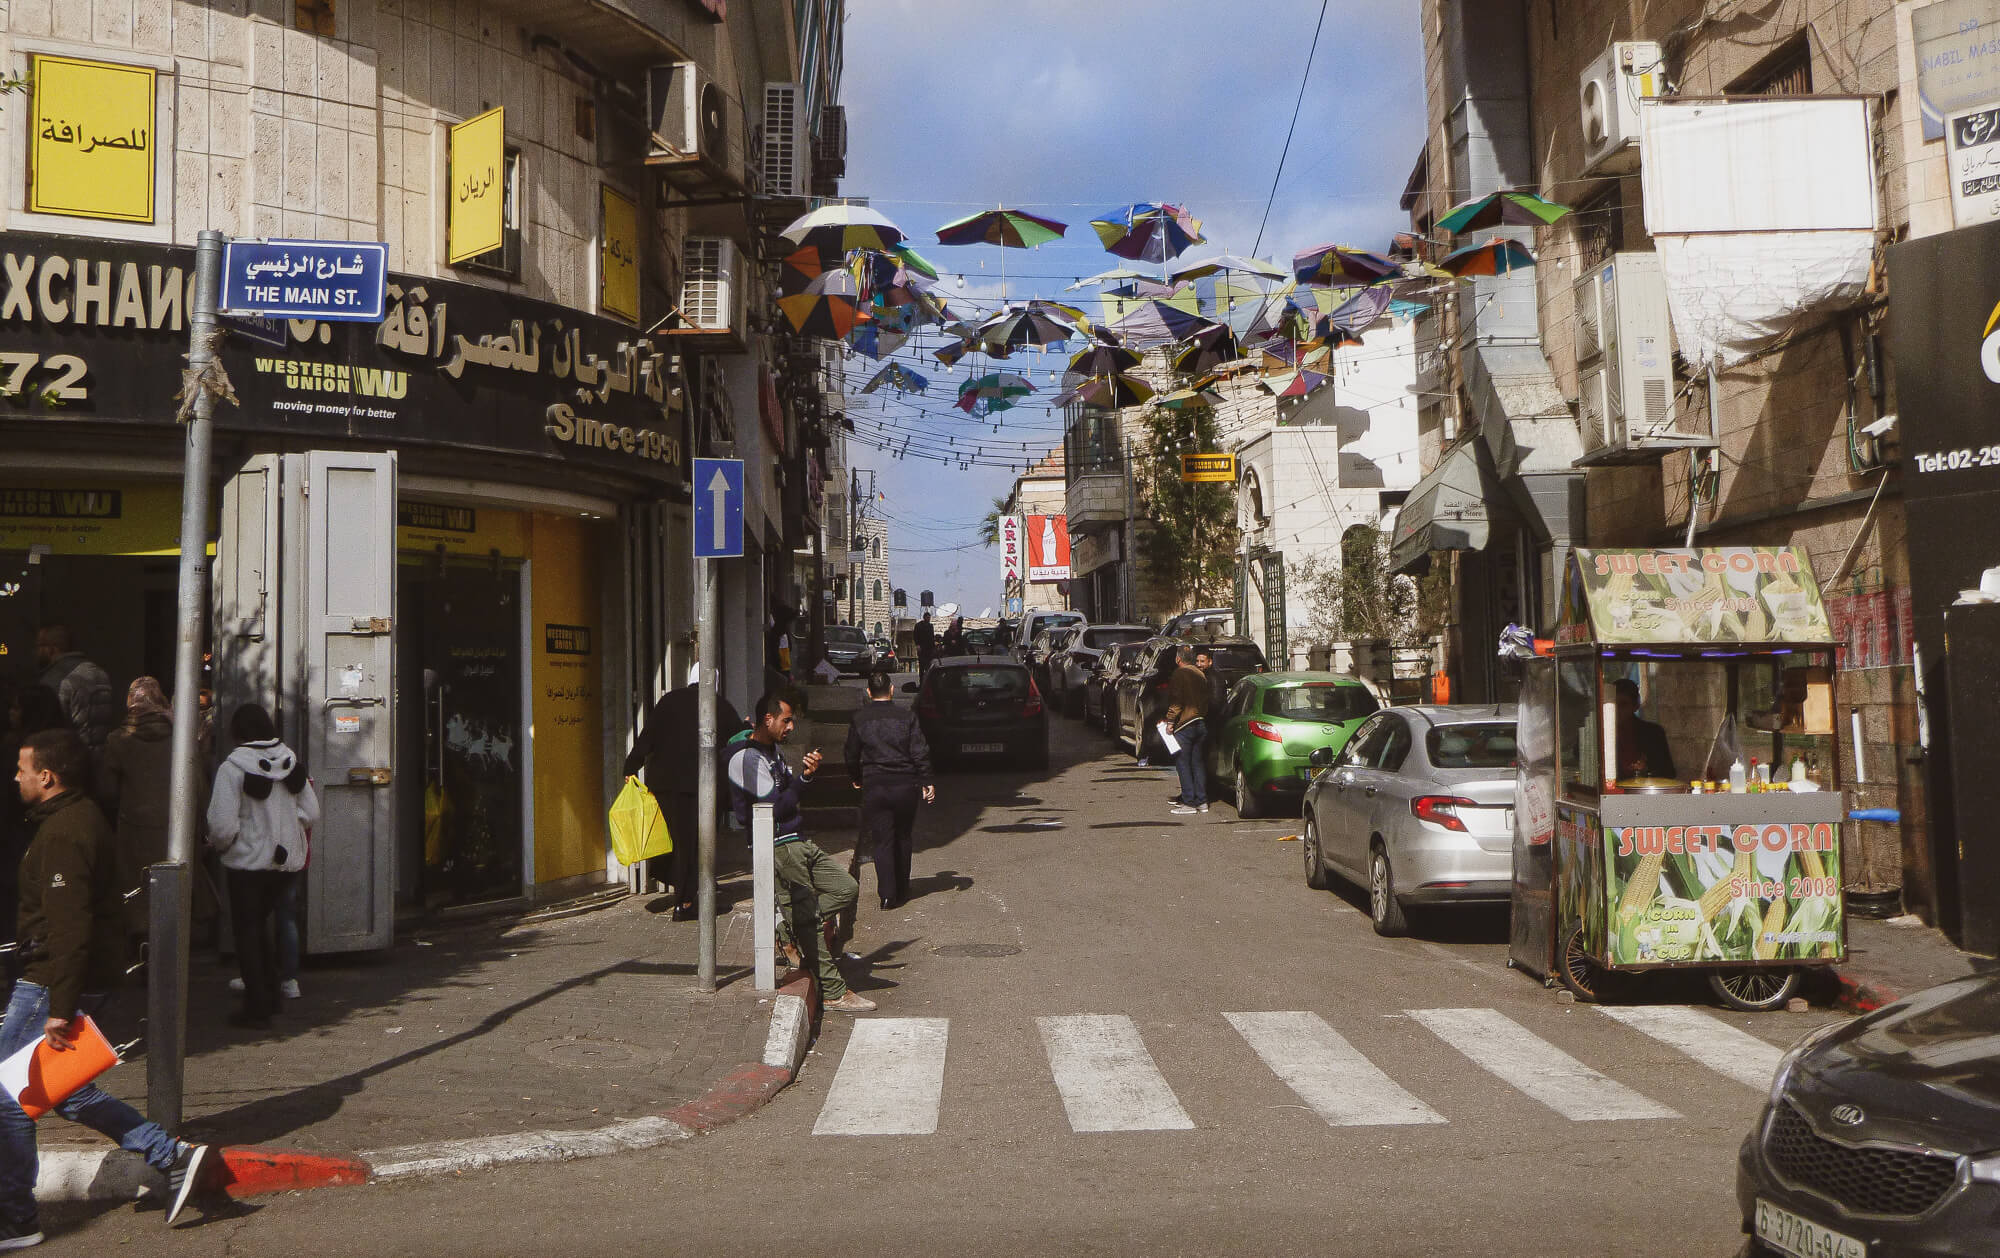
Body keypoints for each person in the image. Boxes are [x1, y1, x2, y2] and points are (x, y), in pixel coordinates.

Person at [4, 728, 209, 1243]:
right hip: (61, 979)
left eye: (22, 769)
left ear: (46, 777)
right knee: (65, 1092)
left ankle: (16, 1219)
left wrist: (60, 1006)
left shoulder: (65, 834)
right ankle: (171, 1155)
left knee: (9, 1095)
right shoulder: (74, 820)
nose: (15, 777)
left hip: (50, 983)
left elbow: (70, 930)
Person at [726, 691, 873, 1013]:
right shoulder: (746, 758)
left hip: (797, 839)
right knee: (807, 915)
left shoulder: (772, 752)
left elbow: (789, 792)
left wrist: (803, 777)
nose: (791, 727)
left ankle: (791, 926)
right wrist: (802, 781)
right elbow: (774, 807)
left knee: (845, 888)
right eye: (786, 720)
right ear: (768, 719)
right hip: (778, 844)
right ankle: (834, 991)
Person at [206, 705, 318, 1030]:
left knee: (248, 932)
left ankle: (258, 1006)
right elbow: (311, 812)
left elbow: (222, 824)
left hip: (246, 863)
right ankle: (271, 995)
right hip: (285, 862)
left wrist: (226, 844)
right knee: (264, 927)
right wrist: (285, 829)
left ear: (237, 732)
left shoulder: (233, 768)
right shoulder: (290, 761)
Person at [623, 683, 745, 920]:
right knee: (695, 845)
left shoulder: (668, 701)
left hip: (665, 784)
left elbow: (648, 736)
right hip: (700, 787)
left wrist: (630, 767)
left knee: (674, 839)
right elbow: (736, 739)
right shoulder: (718, 704)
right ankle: (686, 903)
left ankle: (679, 887)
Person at [95, 678, 179, 947]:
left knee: (137, 887)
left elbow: (107, 789)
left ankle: (141, 943)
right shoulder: (179, 736)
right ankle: (169, 943)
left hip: (133, 824)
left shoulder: (118, 740)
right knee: (171, 885)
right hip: (174, 824)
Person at [844, 671, 934, 911]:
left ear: (869, 693)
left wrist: (855, 777)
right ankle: (903, 888)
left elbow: (851, 753)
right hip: (905, 784)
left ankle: (887, 895)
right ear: (892, 690)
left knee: (882, 840)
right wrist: (926, 780)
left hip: (876, 784)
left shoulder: (860, 718)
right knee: (903, 836)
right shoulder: (907, 717)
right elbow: (919, 750)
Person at [1, 688, 66, 947]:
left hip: (22, 830)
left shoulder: (20, 747)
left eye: (17, 708)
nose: (11, 714)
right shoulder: (67, 745)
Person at [35, 626, 116, 749]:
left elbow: (50, 730)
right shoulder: (99, 671)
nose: (36, 651)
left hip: (72, 758)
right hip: (101, 756)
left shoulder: (54, 679)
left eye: (39, 646)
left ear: (52, 649)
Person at [1164, 645, 1212, 816]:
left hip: (1185, 724)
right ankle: (1202, 801)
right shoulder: (1201, 674)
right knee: (1197, 763)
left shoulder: (1180, 674)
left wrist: (1170, 721)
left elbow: (1177, 700)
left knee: (1183, 763)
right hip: (1200, 722)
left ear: (1178, 659)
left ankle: (1189, 802)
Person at [1611, 677, 1677, 781]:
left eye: (1623, 705)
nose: (1617, 710)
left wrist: (1646, 770)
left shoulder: (1653, 733)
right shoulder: (1600, 733)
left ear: (1635, 706)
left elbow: (1668, 773)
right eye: (1613, 705)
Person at [913, 613, 936, 677]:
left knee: (929, 666)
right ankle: (921, 682)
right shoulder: (918, 625)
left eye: (929, 618)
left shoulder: (930, 626)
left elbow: (932, 637)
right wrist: (917, 645)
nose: (928, 619)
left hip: (929, 649)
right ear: (924, 617)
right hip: (922, 649)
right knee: (922, 666)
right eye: (927, 617)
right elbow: (915, 636)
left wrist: (933, 648)